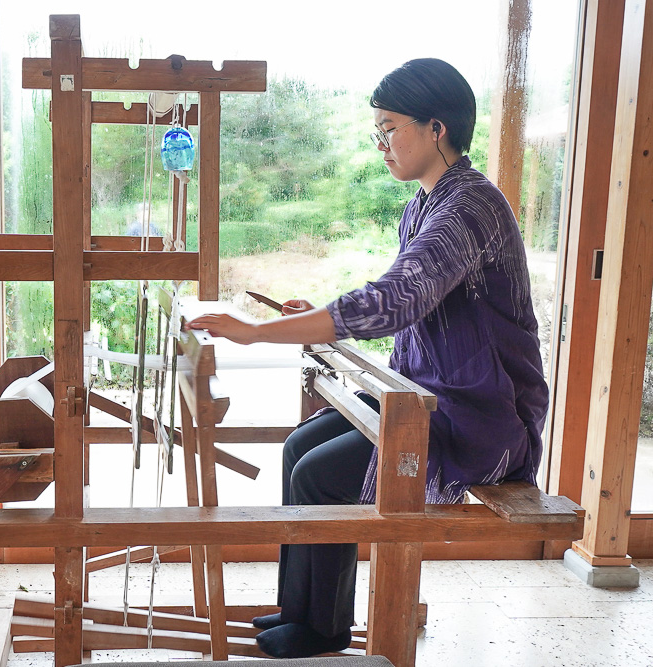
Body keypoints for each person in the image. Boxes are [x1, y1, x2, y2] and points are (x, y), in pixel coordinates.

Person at [186, 58, 549, 658]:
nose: (380, 144)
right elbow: (408, 305)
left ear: (436, 128)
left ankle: (322, 629)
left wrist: (258, 333)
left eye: (389, 129)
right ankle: (301, 611)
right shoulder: (424, 206)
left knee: (321, 474)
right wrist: (316, 315)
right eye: (377, 131)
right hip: (429, 394)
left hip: (481, 415)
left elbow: (395, 301)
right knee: (299, 447)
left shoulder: (470, 208)